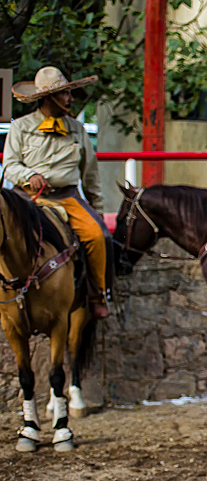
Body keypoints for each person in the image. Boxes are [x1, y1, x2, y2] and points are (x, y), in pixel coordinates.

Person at [3, 66, 112, 318]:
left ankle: (97, 294)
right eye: (64, 94)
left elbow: (91, 176)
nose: (70, 99)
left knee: (99, 236)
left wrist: (97, 211)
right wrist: (29, 176)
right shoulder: (20, 127)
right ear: (48, 97)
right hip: (28, 199)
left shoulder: (77, 129)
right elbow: (9, 165)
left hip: (68, 197)